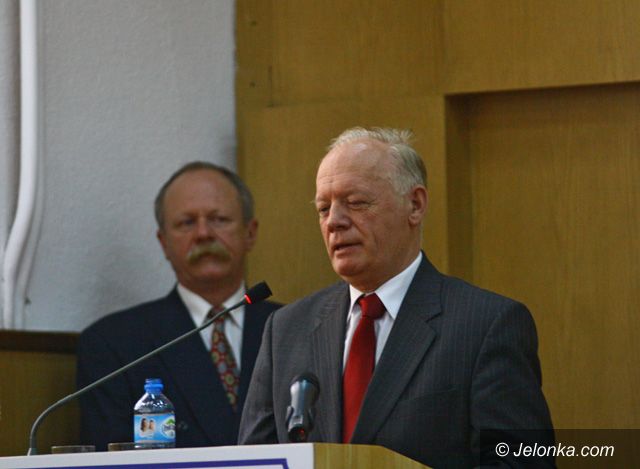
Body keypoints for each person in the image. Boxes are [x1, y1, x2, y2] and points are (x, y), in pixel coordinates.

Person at [238, 128, 555, 467]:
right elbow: (253, 461)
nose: (334, 222)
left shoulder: (485, 325)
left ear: (414, 205)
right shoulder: (286, 330)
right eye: (323, 208)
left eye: (356, 203)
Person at [77, 161, 280, 451]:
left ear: (250, 232)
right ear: (163, 243)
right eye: (186, 222)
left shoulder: (294, 327)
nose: (203, 233)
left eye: (219, 219)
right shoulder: (114, 344)